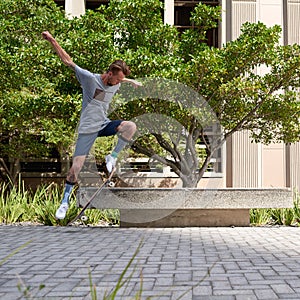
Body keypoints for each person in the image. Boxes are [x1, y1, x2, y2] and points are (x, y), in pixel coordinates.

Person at [42, 31, 141, 220]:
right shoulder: (89, 79)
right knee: (75, 169)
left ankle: (111, 157)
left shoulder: (116, 83)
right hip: (87, 129)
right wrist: (52, 39)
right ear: (109, 74)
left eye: (121, 81)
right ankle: (64, 202)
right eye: (117, 79)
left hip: (103, 125)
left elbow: (121, 79)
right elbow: (67, 61)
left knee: (131, 126)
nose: (119, 84)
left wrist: (131, 81)